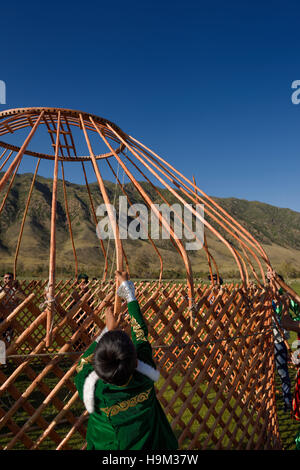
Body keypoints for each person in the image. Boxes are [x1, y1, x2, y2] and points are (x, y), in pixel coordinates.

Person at [74, 270, 178, 450]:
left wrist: (108, 330)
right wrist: (127, 290)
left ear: (98, 369)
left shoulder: (93, 391)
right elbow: (140, 333)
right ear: (136, 362)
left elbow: (82, 364)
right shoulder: (145, 375)